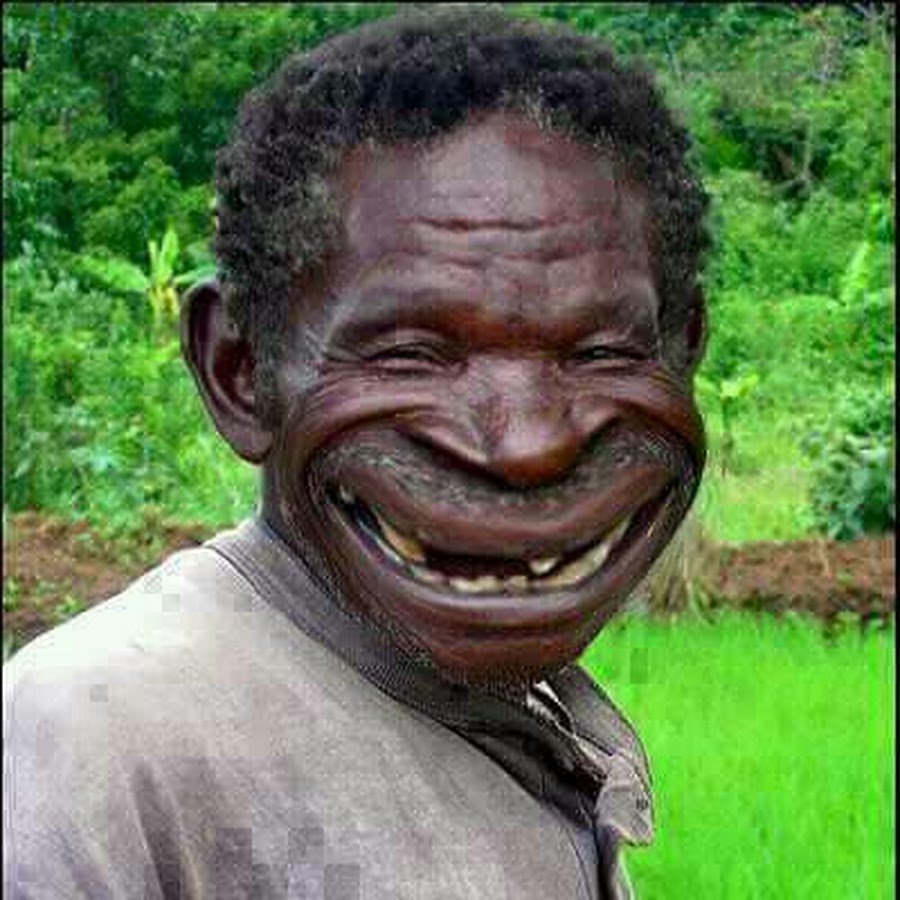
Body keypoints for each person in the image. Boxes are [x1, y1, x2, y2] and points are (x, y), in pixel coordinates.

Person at [3, 7, 709, 898]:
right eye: (412, 354)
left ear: (686, 350)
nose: (530, 445)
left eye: (601, 352)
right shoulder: (86, 747)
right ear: (238, 371)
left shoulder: (519, 708)